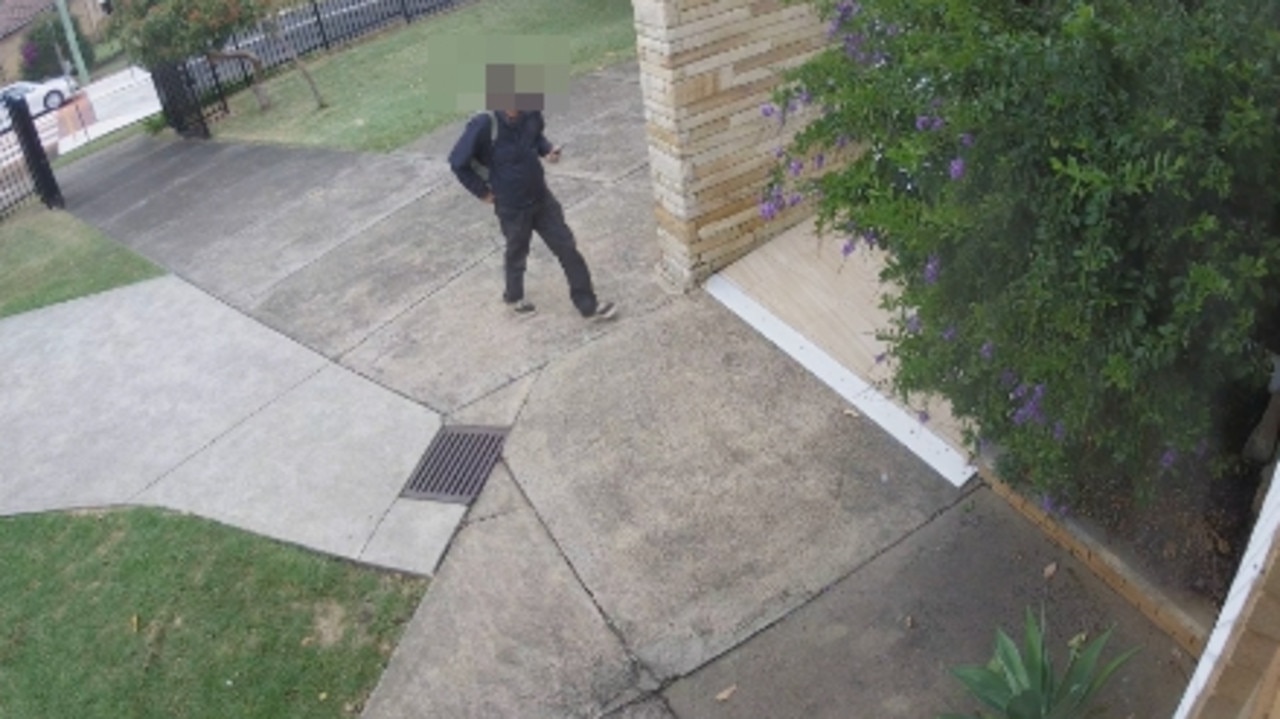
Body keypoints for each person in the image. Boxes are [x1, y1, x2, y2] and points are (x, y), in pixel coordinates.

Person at [448, 64, 615, 321]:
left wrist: (547, 150)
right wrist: (482, 192)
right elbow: (457, 162)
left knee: (567, 248)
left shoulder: (532, 112)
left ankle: (588, 305)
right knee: (517, 251)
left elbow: (536, 137)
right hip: (511, 206)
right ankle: (514, 296)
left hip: (541, 198)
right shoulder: (484, 124)